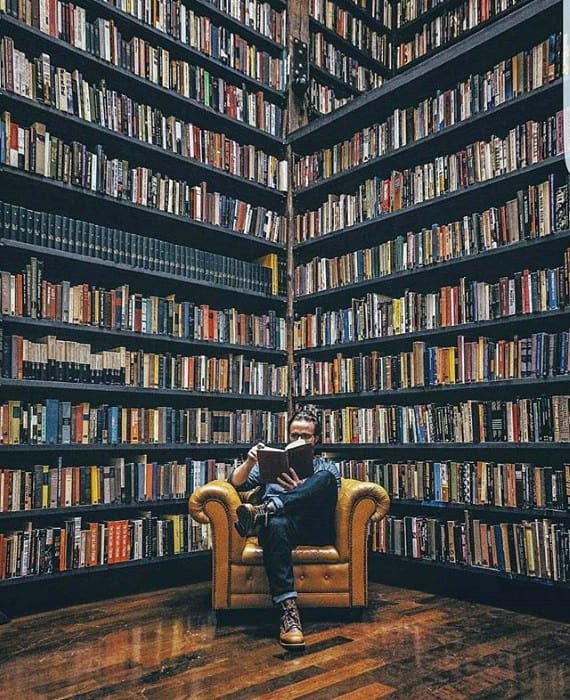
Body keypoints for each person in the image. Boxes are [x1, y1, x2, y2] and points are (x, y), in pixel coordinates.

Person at [228, 408, 341, 651]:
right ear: (287, 436)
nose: (299, 440)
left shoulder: (326, 468)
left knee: (324, 480)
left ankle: (268, 507)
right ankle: (289, 615)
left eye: (306, 436)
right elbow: (235, 483)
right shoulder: (272, 465)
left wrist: (301, 489)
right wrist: (250, 461)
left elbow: (329, 499)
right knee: (275, 525)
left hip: (313, 527)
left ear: (316, 440)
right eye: (294, 435)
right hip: (282, 528)